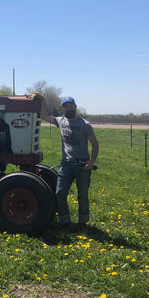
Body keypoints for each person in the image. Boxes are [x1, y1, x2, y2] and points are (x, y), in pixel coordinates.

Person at [42, 96, 99, 234]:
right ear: (63, 108)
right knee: (60, 193)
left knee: (83, 196)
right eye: (65, 106)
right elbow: (44, 115)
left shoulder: (85, 124)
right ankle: (66, 224)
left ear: (75, 107)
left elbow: (95, 144)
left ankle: (83, 225)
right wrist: (42, 98)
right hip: (66, 165)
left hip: (82, 166)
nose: (68, 108)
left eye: (70, 105)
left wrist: (91, 162)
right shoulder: (60, 121)